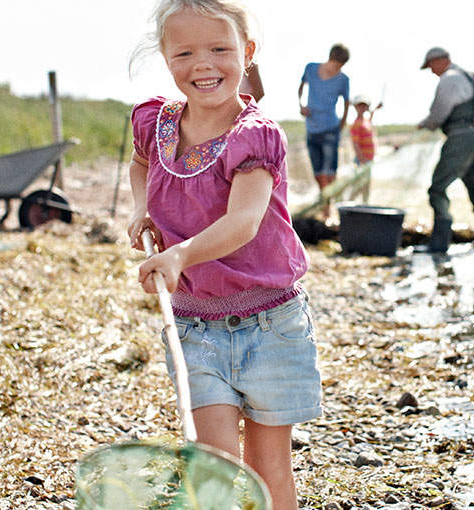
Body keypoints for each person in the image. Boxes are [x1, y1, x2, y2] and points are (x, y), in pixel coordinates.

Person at [127, 2, 321, 509]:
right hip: (194, 326)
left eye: (219, 49)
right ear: (167, 58)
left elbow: (244, 221)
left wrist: (179, 256)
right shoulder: (155, 123)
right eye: (185, 52)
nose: (203, 64)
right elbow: (139, 163)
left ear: (247, 53)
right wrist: (141, 210)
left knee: (269, 468)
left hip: (270, 322)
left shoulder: (254, 134)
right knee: (214, 465)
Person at [417, 46, 474, 253]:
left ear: (441, 60)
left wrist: (425, 124)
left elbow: (438, 115)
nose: (431, 71)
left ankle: (440, 244)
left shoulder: (448, 79)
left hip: (459, 139)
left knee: (437, 188)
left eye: (431, 66)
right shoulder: (470, 76)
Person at [298, 44, 350, 218]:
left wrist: (342, 123)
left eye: (340, 66)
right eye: (337, 65)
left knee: (330, 171)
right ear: (331, 58)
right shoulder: (311, 68)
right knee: (318, 171)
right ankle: (326, 201)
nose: (338, 69)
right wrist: (301, 106)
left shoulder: (343, 79)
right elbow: (301, 87)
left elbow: (346, 103)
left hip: (331, 128)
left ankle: (329, 207)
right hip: (312, 128)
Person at [349, 94, 382, 165]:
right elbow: (355, 144)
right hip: (363, 161)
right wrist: (362, 160)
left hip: (370, 159)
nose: (362, 107)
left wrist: (376, 108)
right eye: (359, 105)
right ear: (355, 107)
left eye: (364, 105)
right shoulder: (356, 124)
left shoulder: (366, 121)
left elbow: (371, 114)